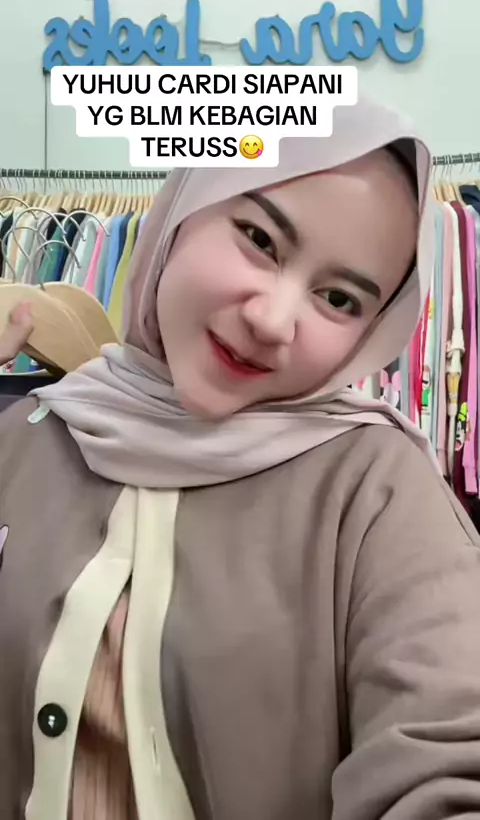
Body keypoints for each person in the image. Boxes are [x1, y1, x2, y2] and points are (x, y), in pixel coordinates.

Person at [2, 96, 480, 820]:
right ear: (182, 212)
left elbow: (448, 752)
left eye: (339, 299)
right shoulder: (26, 439)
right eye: (259, 238)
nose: (272, 320)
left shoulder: (378, 491)